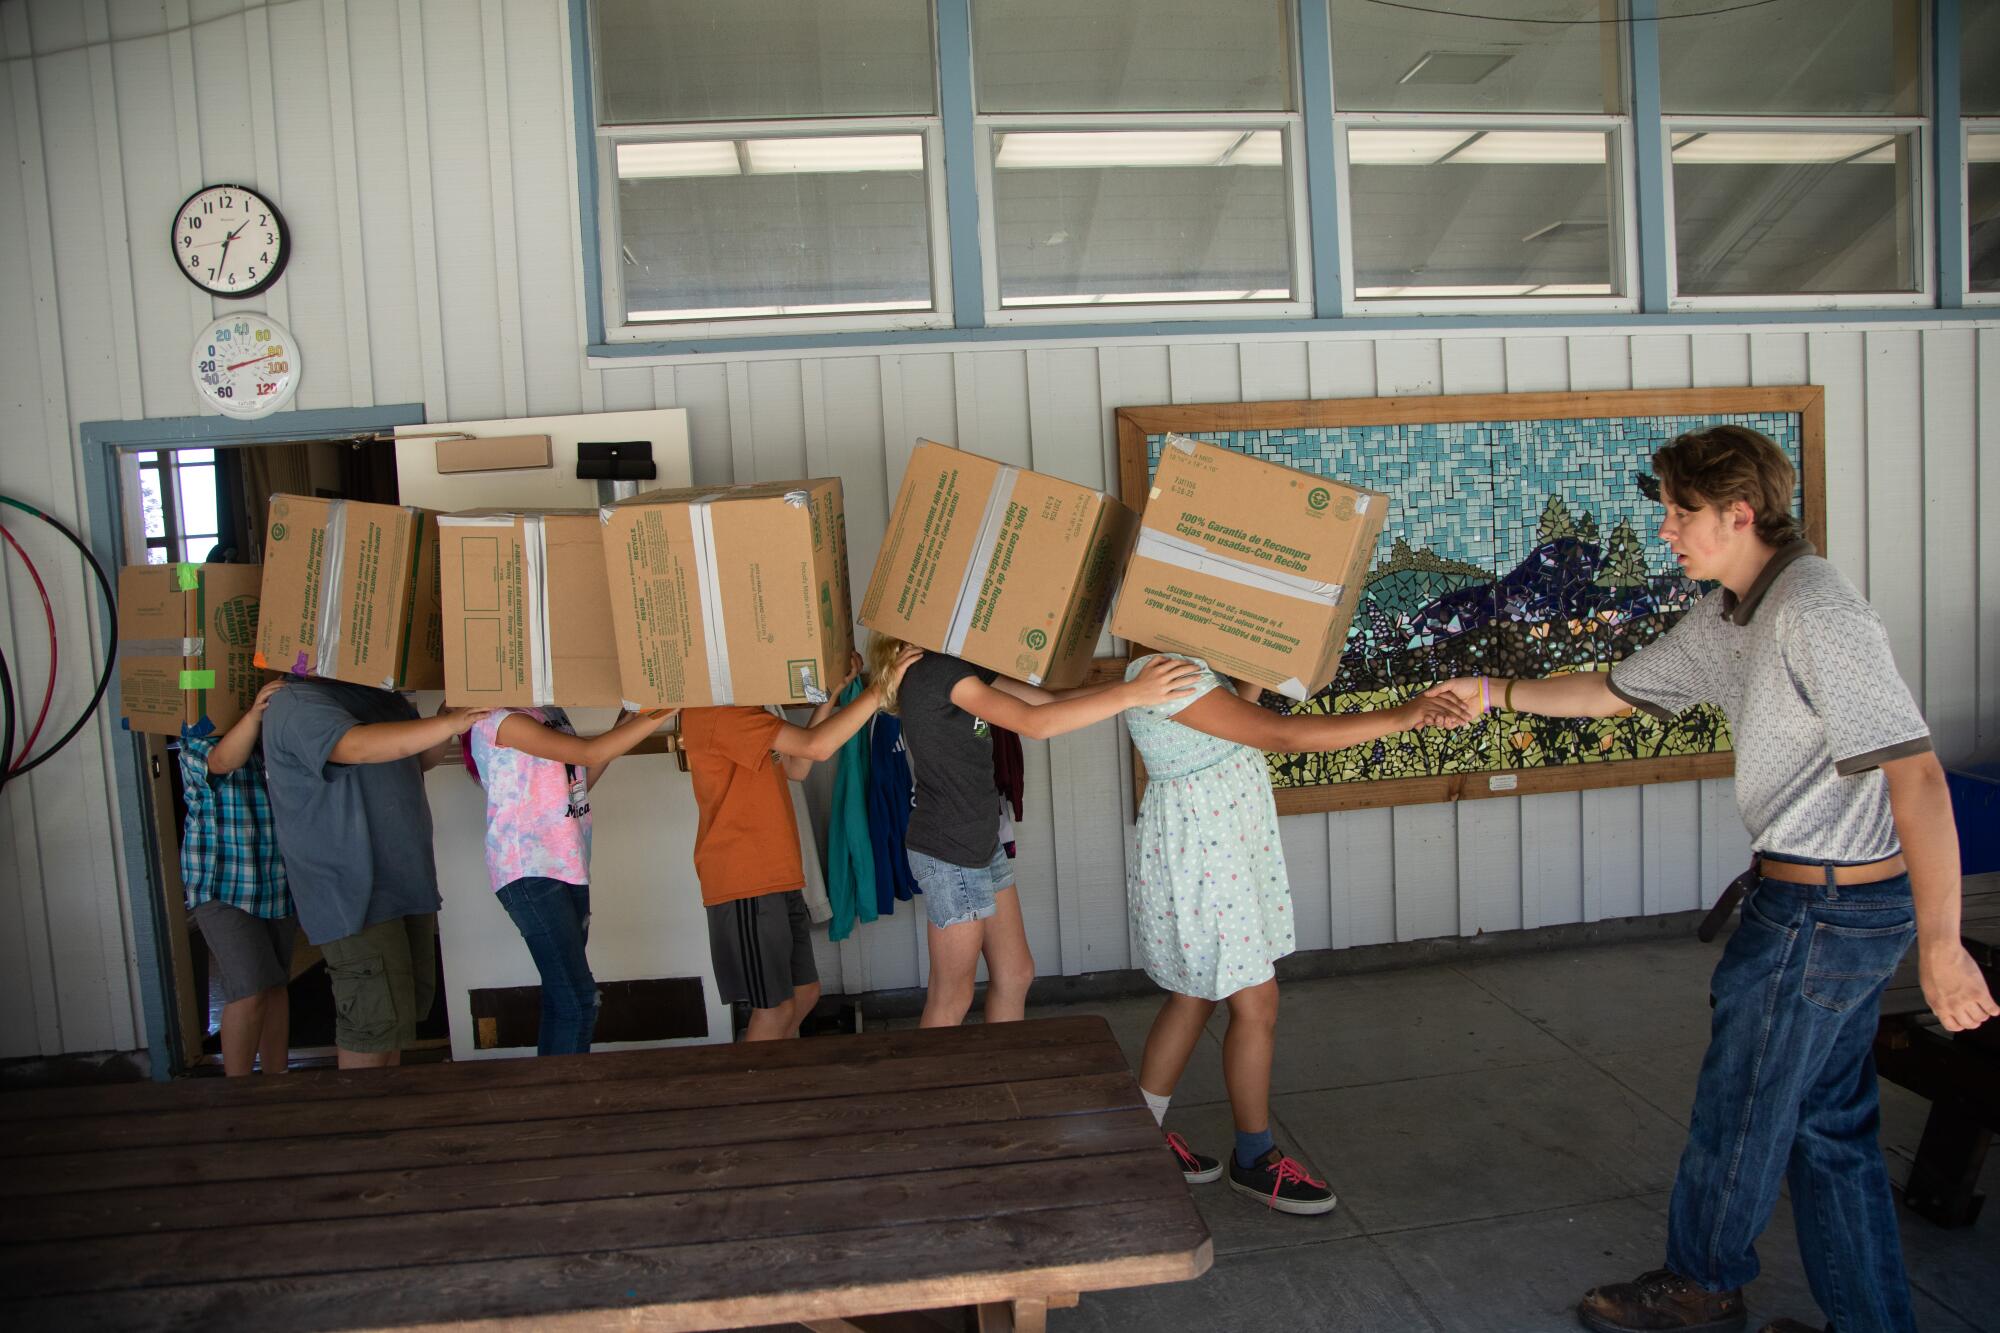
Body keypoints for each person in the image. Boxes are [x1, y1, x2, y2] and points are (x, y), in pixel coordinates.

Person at [1429, 424, 1997, 1333]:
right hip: (1818, 903)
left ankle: (1701, 1282)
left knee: (1742, 1108)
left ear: (1740, 513)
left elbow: (1917, 776)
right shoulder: (1736, 610)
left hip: (1826, 910)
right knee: (1829, 1126)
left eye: (1681, 512)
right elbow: (1618, 690)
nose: (1666, 530)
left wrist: (1943, 945)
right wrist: (1493, 692)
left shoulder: (1817, 611)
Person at [1123, 658, 1473, 1213]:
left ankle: (1135, 1141)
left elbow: (1238, 718)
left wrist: (1255, 659)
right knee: (1256, 1002)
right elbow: (1282, 734)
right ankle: (1255, 1161)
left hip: (1219, 852)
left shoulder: (1189, 667)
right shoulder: (1169, 671)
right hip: (1211, 862)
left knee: (1193, 994)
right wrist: (1403, 715)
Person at [862, 637, 1201, 1028]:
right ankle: (934, 1090)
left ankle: (1005, 1080)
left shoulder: (957, 666)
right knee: (951, 995)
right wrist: (1132, 693)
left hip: (980, 840)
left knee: (1015, 973)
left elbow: (1046, 702)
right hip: (951, 851)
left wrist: (1136, 687)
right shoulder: (938, 670)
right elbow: (1034, 724)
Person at [681, 647, 921, 1041]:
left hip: (777, 874)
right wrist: (880, 690)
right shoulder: (717, 714)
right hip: (746, 880)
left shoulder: (749, 710)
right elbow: (817, 748)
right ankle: (752, 1095)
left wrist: (832, 694)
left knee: (804, 993)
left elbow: (797, 765)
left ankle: (775, 1083)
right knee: (773, 1009)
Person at [262, 679, 490, 1069]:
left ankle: (387, 1119)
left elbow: (418, 758)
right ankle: (360, 1123)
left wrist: (447, 718)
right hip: (352, 893)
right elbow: (355, 746)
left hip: (404, 882)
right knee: (371, 1026)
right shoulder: (296, 700)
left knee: (396, 1022)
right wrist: (449, 725)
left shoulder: (381, 696)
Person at [462, 705, 677, 1055]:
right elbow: (590, 751)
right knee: (578, 1000)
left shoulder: (548, 711)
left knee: (562, 997)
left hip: (567, 862)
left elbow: (576, 782)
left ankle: (553, 1100)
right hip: (529, 869)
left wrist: (627, 722)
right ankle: (567, 1102)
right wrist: (667, 708)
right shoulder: (500, 719)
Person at [179, 678, 294, 1076]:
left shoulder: (268, 737)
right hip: (221, 881)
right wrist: (255, 712)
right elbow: (223, 762)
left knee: (276, 985)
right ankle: (238, 1091)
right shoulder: (196, 732)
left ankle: (277, 1080)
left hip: (274, 880)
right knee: (249, 988)